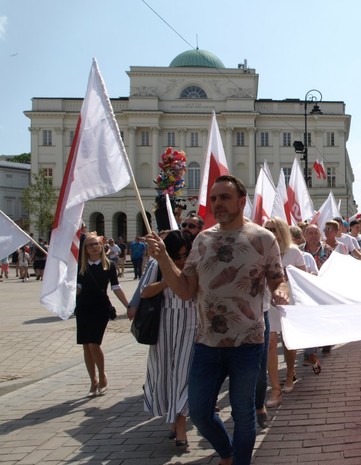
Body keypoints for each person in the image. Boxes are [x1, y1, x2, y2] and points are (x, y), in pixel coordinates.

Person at [145, 175, 289, 465]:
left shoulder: (263, 238)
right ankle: (227, 453)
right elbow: (185, 290)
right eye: (213, 198)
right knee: (199, 412)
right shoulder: (203, 240)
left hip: (248, 343)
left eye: (224, 197)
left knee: (243, 413)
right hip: (207, 344)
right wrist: (163, 260)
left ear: (241, 201)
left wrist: (281, 292)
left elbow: (277, 279)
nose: (217, 203)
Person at [138, 230, 196, 447]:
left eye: (185, 255)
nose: (182, 260)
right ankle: (172, 418)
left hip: (191, 324)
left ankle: (181, 426)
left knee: (184, 374)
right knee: (165, 373)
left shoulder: (194, 265)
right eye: (177, 256)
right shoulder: (158, 264)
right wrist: (167, 281)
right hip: (164, 325)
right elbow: (144, 291)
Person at [76, 233, 130, 397]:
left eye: (96, 244)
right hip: (83, 308)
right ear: (85, 249)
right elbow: (78, 289)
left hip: (100, 308)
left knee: (94, 343)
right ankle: (93, 381)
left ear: (101, 246)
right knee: (86, 345)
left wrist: (128, 306)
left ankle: (102, 376)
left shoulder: (109, 265)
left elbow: (116, 287)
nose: (93, 247)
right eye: (89, 245)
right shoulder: (80, 266)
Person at [263, 218, 307, 415]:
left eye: (274, 229)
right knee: (270, 342)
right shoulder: (260, 250)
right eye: (267, 229)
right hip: (267, 301)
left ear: (282, 231)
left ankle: (289, 374)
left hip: (289, 301)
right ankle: (275, 388)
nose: (271, 232)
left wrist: (284, 279)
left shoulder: (293, 252)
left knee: (289, 341)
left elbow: (303, 276)